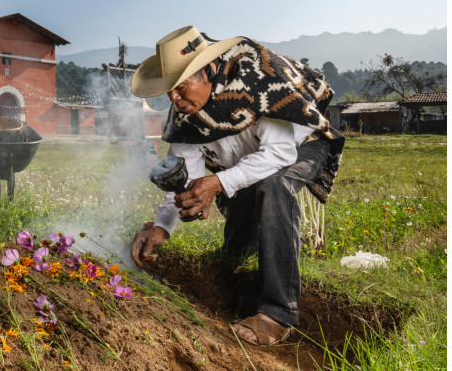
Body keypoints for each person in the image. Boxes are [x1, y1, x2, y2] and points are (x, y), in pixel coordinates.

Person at [129, 26, 344, 347]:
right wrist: (161, 227)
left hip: (300, 146)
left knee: (274, 184)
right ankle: (245, 272)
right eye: (168, 90)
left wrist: (216, 182)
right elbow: (185, 179)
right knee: (238, 248)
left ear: (208, 72)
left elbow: (279, 153)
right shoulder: (182, 116)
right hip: (244, 158)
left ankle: (279, 313)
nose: (174, 97)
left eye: (181, 85)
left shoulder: (258, 83)